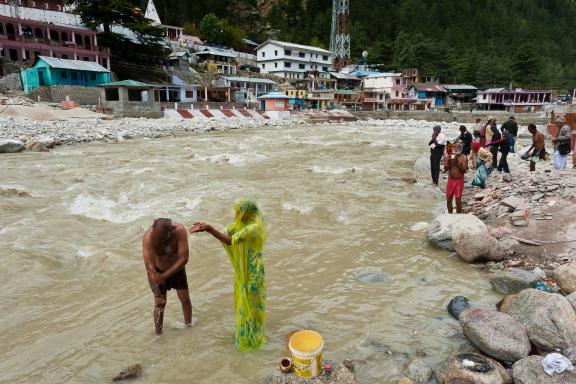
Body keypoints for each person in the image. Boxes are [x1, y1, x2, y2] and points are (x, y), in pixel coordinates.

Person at [189, 200, 266, 351]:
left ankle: (253, 339)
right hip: (245, 271)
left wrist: (210, 229)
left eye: (239, 212)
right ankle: (246, 335)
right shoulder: (244, 225)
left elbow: (231, 240)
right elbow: (229, 231)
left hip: (253, 274)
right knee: (243, 303)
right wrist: (206, 226)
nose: (236, 215)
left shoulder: (254, 228)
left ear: (245, 214)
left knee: (251, 303)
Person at [142, 218, 192, 335]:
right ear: (152, 230)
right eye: (157, 239)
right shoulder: (148, 238)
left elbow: (184, 258)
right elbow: (150, 268)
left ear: (171, 232)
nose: (159, 242)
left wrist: (165, 276)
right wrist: (157, 294)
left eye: (162, 240)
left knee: (184, 298)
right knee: (159, 304)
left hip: (177, 269)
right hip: (158, 271)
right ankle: (158, 334)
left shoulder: (179, 231)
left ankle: (189, 326)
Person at [444, 142, 468, 213]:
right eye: (455, 147)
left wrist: (457, 162)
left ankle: (458, 215)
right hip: (450, 180)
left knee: (458, 200)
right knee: (448, 199)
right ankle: (450, 215)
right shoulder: (449, 156)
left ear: (461, 149)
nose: (456, 149)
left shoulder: (464, 157)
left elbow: (464, 169)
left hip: (459, 180)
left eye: (458, 147)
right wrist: (448, 162)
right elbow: (445, 169)